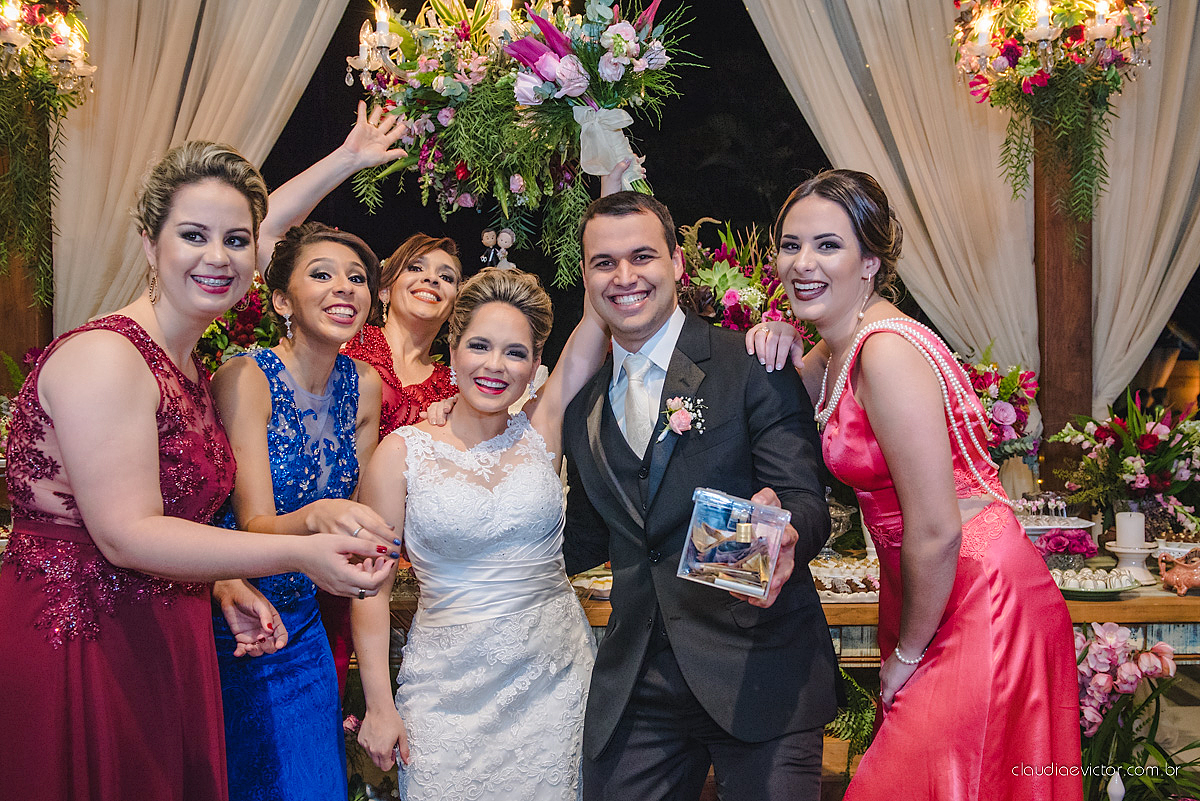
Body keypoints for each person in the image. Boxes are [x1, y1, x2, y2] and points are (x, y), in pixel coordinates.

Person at [0, 141, 392, 801]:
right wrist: (301, 550)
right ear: (150, 244)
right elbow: (127, 533)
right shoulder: (107, 356)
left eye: (236, 240)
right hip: (82, 640)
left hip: (164, 633)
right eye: (193, 235)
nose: (218, 256)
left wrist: (222, 584)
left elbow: (176, 521)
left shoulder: (186, 368)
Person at [747, 169, 1082, 799]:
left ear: (870, 262)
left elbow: (935, 527)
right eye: (791, 245)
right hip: (929, 588)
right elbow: (777, 405)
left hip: (978, 593)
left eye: (827, 245)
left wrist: (906, 654)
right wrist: (778, 337)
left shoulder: (885, 352)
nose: (802, 263)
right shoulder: (841, 346)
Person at [561, 191, 838, 801]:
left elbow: (804, 497)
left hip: (757, 669)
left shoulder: (751, 363)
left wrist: (787, 531)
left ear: (677, 263)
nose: (624, 277)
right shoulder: (584, 406)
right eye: (604, 262)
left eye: (642, 256)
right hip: (639, 683)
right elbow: (579, 539)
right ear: (586, 276)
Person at [352, 267, 609, 800]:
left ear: (536, 364)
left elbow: (594, 320)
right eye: (479, 346)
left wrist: (608, 208)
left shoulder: (543, 428)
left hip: (557, 684)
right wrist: (379, 705)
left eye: (515, 353)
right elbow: (371, 588)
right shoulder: (401, 453)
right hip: (446, 694)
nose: (495, 366)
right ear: (453, 349)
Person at [258, 102, 458, 694]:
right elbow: (266, 237)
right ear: (385, 288)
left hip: (376, 564)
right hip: (281, 551)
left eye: (447, 276)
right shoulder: (342, 341)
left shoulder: (455, 387)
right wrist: (347, 160)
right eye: (417, 268)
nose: (432, 279)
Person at [209, 222, 391, 801]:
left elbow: (358, 512)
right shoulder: (245, 377)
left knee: (318, 783)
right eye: (322, 275)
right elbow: (255, 525)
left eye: (357, 279)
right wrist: (318, 517)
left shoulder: (364, 384)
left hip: (306, 624)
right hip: (237, 618)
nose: (345, 288)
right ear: (282, 301)